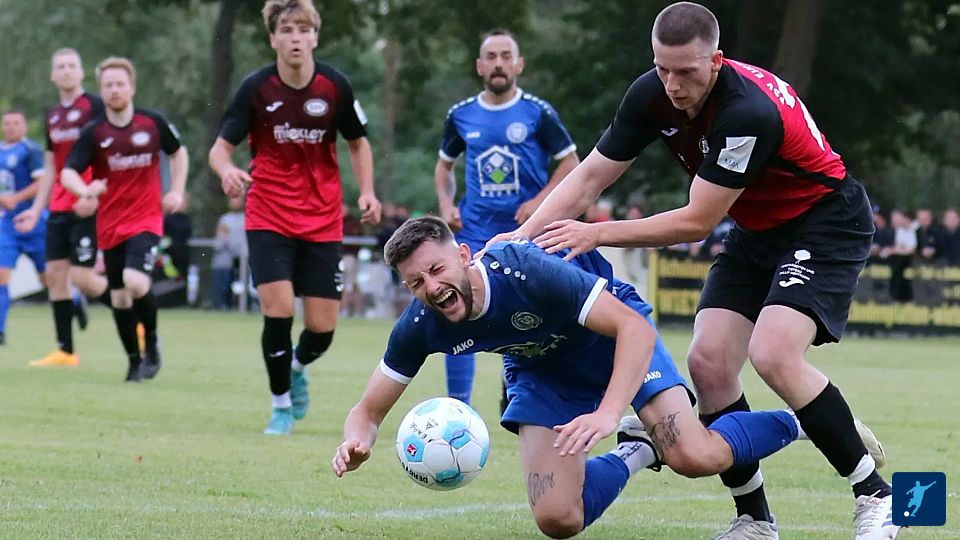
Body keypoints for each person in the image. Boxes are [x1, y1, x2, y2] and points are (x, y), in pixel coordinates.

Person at [485, 3, 897, 538]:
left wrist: (598, 232)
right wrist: (522, 237)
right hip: (756, 230)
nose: (674, 85)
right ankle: (755, 520)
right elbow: (588, 178)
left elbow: (698, 221)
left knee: (773, 353)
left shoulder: (747, 112)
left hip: (823, 222)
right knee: (707, 363)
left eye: (686, 71)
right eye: (663, 68)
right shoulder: (651, 94)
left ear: (716, 60)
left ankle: (879, 496)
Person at [331, 217, 885, 539]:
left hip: (614, 339)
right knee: (557, 518)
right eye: (416, 282)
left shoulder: (523, 269)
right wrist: (357, 439)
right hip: (541, 369)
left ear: (463, 255)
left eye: (436, 269)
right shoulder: (421, 324)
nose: (431, 287)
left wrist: (606, 412)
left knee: (695, 457)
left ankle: (808, 423)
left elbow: (632, 330)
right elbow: (368, 410)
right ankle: (639, 452)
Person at [208, 0, 382, 435]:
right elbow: (219, 149)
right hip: (267, 214)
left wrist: (367, 191)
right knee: (279, 309)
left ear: (315, 37)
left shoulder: (334, 86)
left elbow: (358, 142)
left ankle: (298, 367)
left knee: (322, 328)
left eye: (304, 29)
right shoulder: (256, 88)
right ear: (273, 39)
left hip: (322, 219)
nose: (296, 38)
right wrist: (227, 170)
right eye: (286, 30)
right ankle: (280, 406)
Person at [435, 29, 579, 407]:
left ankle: (516, 385)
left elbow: (571, 163)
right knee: (457, 307)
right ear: (479, 66)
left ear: (519, 64)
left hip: (525, 233)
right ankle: (458, 407)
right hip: (475, 230)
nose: (498, 64)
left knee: (531, 311)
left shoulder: (537, 112)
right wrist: (446, 204)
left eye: (505, 56)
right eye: (491, 57)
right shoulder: (461, 114)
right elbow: (444, 168)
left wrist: (539, 202)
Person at [60, 56, 188, 382]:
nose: (114, 90)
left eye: (120, 84)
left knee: (136, 282)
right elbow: (68, 173)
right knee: (118, 297)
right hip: (110, 224)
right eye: (108, 85)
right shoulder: (94, 132)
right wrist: (86, 190)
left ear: (132, 87)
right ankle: (133, 362)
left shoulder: (152, 122)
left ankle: (152, 344)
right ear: (101, 91)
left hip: (146, 219)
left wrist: (176, 191)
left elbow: (178, 152)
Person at [15, 48, 109, 366]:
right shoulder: (53, 114)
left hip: (86, 203)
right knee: (56, 276)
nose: (67, 71)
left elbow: (108, 152)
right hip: (57, 205)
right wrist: (35, 208)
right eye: (61, 67)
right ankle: (66, 351)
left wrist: (94, 195)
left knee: (83, 278)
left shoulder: (95, 106)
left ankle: (132, 312)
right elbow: (51, 164)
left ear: (81, 72)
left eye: (72, 66)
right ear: (53, 75)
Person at [0, 111, 47, 345]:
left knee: (48, 279)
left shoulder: (31, 151)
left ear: (25, 126)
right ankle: (0, 330)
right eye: (7, 123)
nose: (11, 127)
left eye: (16, 123)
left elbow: (41, 184)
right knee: (1, 276)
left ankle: (76, 302)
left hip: (34, 222)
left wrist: (15, 199)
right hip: (6, 225)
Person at [211, 195, 245, 310]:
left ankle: (244, 305)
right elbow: (219, 241)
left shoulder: (246, 219)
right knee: (223, 285)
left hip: (242, 259)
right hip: (225, 259)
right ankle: (221, 306)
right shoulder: (225, 219)